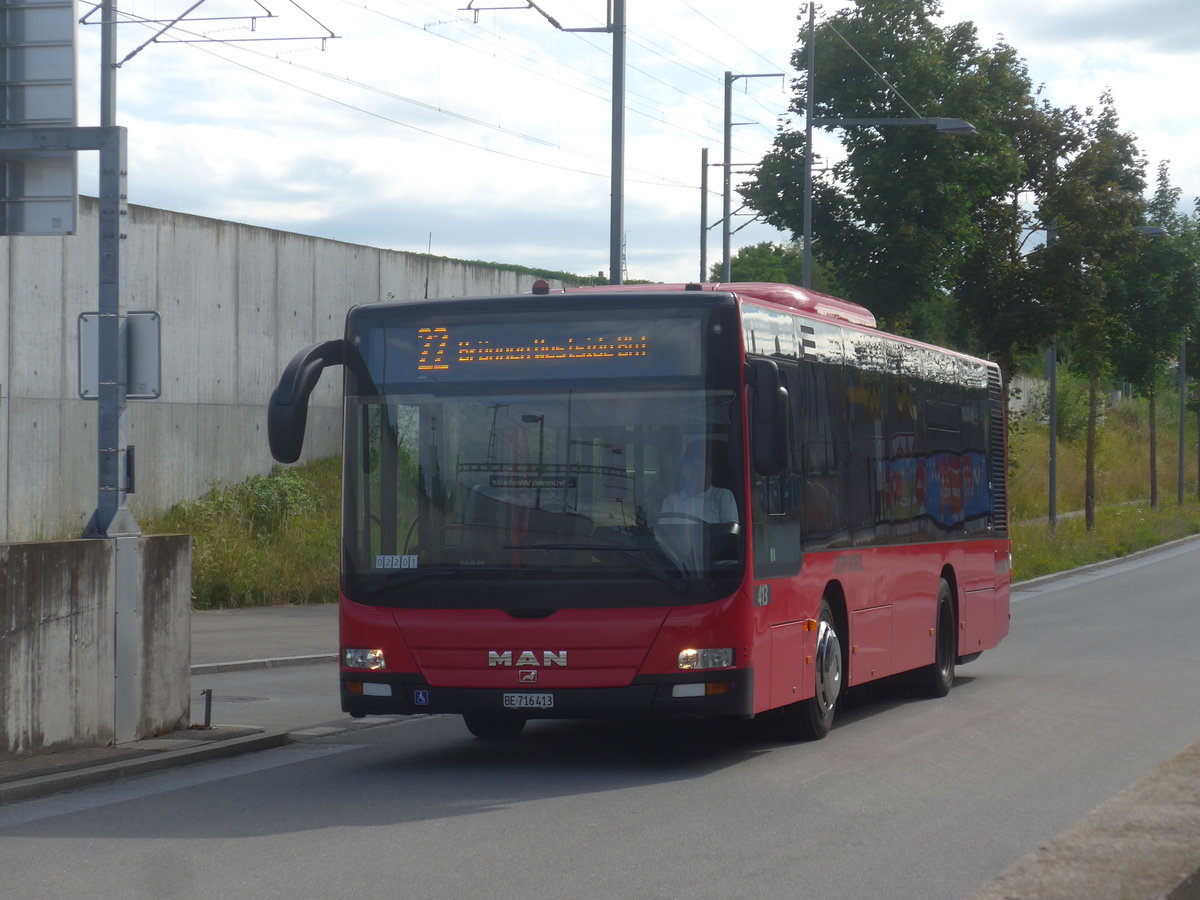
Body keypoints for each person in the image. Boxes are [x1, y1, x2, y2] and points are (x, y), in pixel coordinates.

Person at [659, 441, 738, 524]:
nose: (694, 472)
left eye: (699, 468)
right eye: (690, 468)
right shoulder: (670, 501)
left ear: (709, 472)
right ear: (683, 472)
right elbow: (663, 534)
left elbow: (730, 532)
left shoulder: (723, 497)